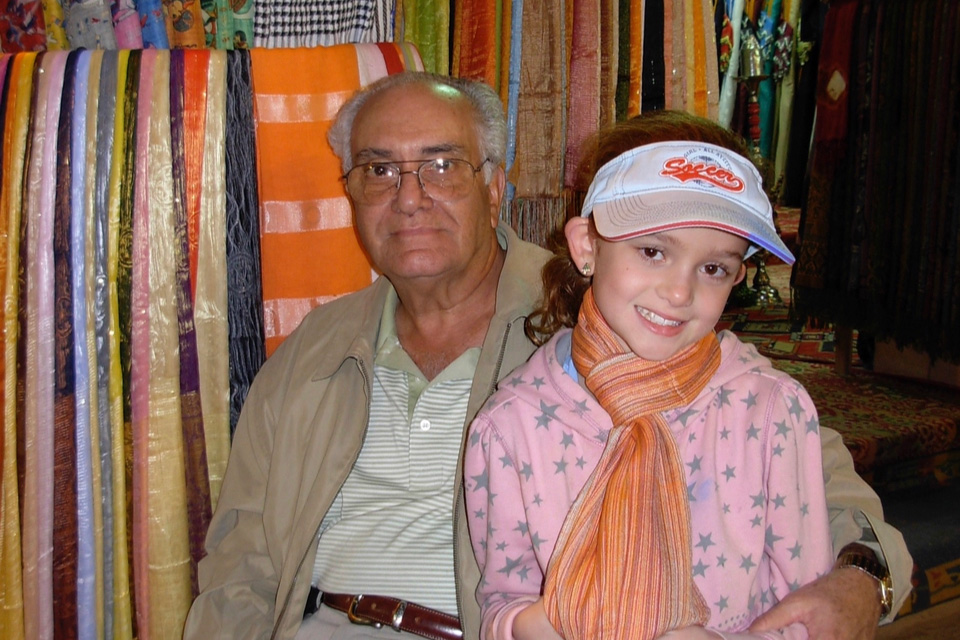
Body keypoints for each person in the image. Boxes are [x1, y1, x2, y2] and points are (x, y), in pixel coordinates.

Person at [182, 73, 910, 640]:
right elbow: (241, 562)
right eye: (377, 169)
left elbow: (820, 488)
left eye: (441, 165)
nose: (408, 197)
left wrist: (860, 580)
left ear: (496, 185)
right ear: (348, 196)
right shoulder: (315, 348)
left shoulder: (612, 316)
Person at [464, 110, 848, 640]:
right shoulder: (512, 424)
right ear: (586, 247)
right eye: (652, 252)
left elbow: (807, 608)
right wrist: (541, 622)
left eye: (713, 268)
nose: (679, 293)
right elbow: (502, 600)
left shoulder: (770, 411)